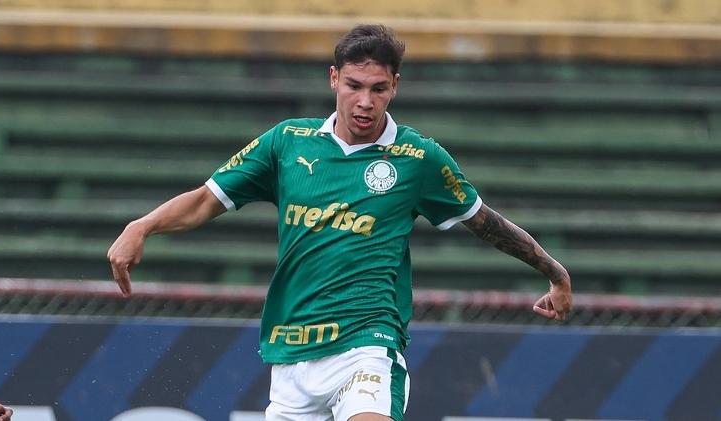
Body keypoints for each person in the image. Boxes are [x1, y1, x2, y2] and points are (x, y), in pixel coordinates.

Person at [108, 24, 572, 421]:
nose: (365, 101)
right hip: (292, 348)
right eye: (354, 85)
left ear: (395, 86)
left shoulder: (417, 158)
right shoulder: (287, 142)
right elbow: (205, 201)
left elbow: (483, 220)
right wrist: (141, 226)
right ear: (334, 79)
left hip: (366, 343)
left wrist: (554, 271)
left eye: (379, 88)